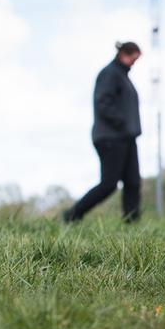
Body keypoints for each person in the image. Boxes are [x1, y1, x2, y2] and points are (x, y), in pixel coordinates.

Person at [64, 41, 144, 223]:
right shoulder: (110, 74)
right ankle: (72, 215)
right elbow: (102, 103)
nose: (134, 63)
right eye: (133, 58)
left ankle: (132, 225)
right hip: (111, 137)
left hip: (126, 137)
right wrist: (122, 123)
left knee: (133, 182)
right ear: (124, 54)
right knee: (109, 184)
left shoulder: (122, 76)